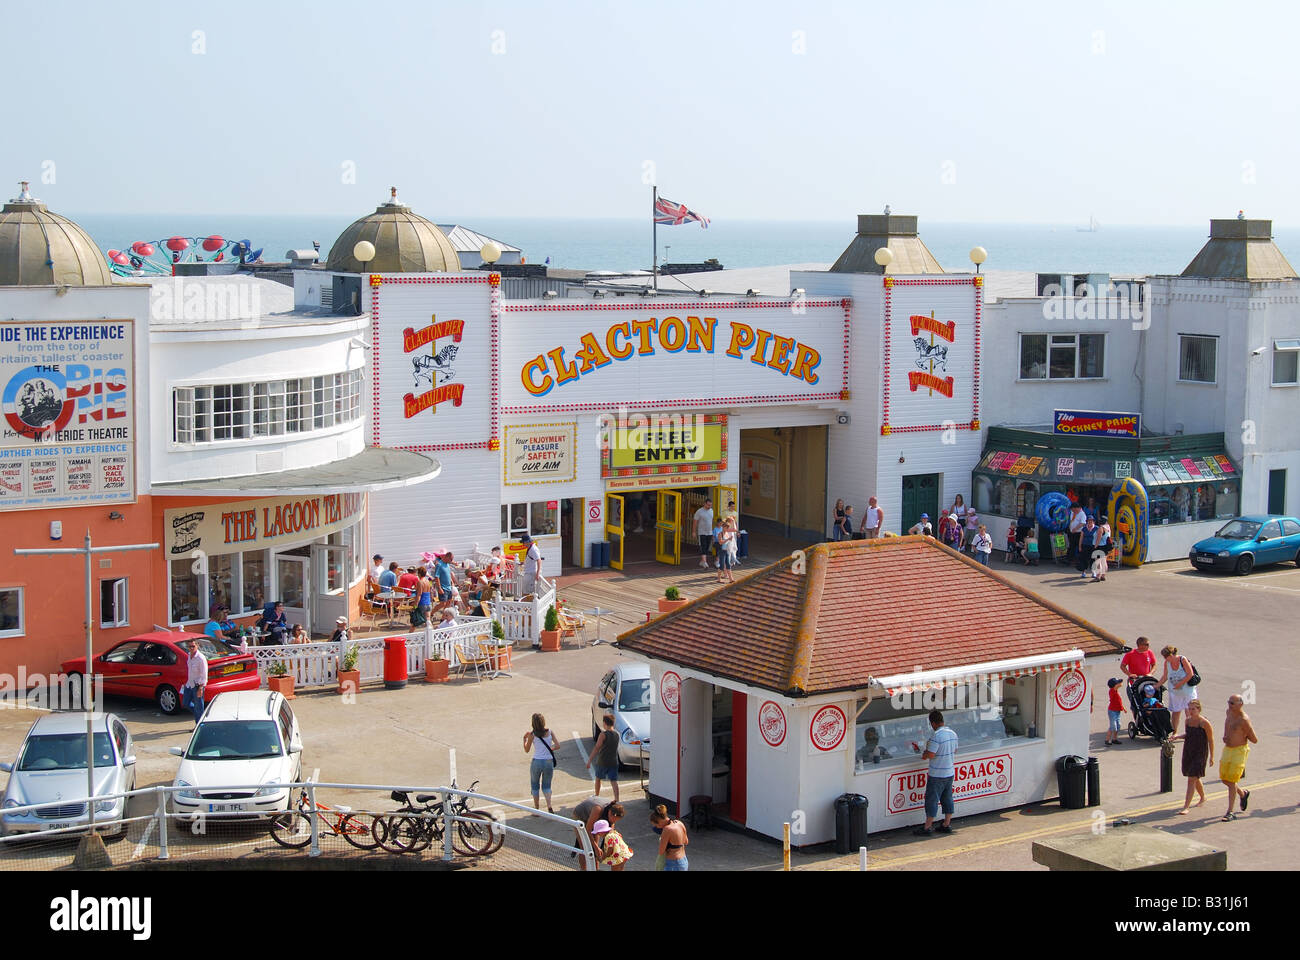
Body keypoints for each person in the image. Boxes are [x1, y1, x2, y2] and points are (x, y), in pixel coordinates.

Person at [913, 709, 958, 836]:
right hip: (949, 772)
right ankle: (946, 824)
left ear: (932, 723)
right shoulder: (953, 733)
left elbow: (931, 754)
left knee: (932, 800)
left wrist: (925, 754)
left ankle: (927, 827)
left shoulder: (936, 736)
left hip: (937, 774)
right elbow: (955, 750)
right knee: (947, 798)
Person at [1169, 699, 1213, 814]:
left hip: (1200, 752)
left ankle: (1186, 806)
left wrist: (1212, 757)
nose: (1191, 711)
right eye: (1189, 709)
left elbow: (1210, 740)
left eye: (1193, 709)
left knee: (1191, 779)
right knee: (1194, 777)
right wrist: (1177, 736)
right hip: (1189, 751)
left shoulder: (1204, 723)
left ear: (1199, 709)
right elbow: (1189, 735)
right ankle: (1203, 797)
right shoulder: (1187, 721)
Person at [1219, 695, 1257, 821]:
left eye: (1232, 703)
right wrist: (1226, 735)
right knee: (1224, 779)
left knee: (1232, 781)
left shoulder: (1244, 720)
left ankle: (1230, 812)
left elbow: (1254, 739)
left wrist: (1241, 736)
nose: (1229, 705)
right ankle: (1243, 793)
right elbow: (1227, 725)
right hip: (1228, 749)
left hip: (1239, 751)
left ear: (1240, 704)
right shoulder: (1228, 712)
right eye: (1228, 702)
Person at [523, 713, 560, 813]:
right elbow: (557, 745)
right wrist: (549, 749)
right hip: (548, 762)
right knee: (547, 786)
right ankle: (549, 806)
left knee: (535, 785)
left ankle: (536, 808)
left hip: (537, 761)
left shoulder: (532, 735)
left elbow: (527, 750)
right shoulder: (550, 732)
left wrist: (524, 739)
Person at [1159, 645, 1198, 735]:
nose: (1165, 659)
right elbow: (1165, 676)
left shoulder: (1182, 659)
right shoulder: (1167, 663)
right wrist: (1156, 685)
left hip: (1188, 691)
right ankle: (1174, 732)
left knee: (1189, 712)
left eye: (1166, 656)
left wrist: (1180, 684)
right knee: (1176, 711)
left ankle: (1190, 732)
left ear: (1171, 655)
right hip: (1175, 692)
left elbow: (1190, 674)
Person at [587, 713, 621, 802]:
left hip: (603, 761)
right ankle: (617, 799)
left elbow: (597, 748)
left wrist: (589, 760)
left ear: (605, 723)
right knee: (614, 781)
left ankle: (597, 795)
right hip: (613, 761)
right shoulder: (617, 734)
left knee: (598, 778)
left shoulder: (603, 735)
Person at [650, 804, 690, 871]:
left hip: (673, 864)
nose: (657, 827)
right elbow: (686, 842)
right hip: (683, 861)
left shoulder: (667, 829)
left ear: (659, 821)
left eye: (656, 825)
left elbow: (661, 851)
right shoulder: (679, 823)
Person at [181, 639, 208, 726]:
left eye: (193, 646)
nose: (191, 648)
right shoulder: (189, 655)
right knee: (185, 703)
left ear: (197, 646)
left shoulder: (201, 658)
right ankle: (202, 716)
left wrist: (200, 688)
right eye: (190, 646)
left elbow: (204, 675)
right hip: (189, 684)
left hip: (198, 685)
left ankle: (199, 725)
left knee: (198, 707)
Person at [1104, 677, 1126, 746]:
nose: (1120, 683)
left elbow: (1119, 701)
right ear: (1114, 685)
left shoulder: (1116, 691)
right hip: (1112, 711)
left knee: (1118, 726)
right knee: (1113, 726)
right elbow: (1115, 688)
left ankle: (1114, 739)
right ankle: (1107, 740)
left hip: (1117, 711)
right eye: (1118, 683)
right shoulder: (1112, 691)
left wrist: (1123, 708)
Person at [694, 500, 715, 568]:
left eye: (710, 505)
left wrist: (712, 531)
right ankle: (704, 562)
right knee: (703, 545)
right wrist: (694, 531)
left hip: (709, 532)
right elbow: (695, 522)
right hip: (702, 532)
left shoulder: (711, 511)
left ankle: (702, 561)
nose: (709, 506)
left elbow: (711, 521)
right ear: (704, 504)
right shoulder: (699, 511)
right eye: (708, 505)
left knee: (707, 546)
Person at [716, 517, 738, 584]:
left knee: (728, 564)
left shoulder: (727, 534)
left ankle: (731, 579)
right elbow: (720, 542)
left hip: (726, 551)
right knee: (722, 565)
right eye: (726, 527)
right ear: (723, 527)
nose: (727, 529)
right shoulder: (720, 534)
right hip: (722, 551)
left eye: (728, 527)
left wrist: (730, 540)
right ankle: (719, 579)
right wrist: (728, 539)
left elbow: (727, 542)